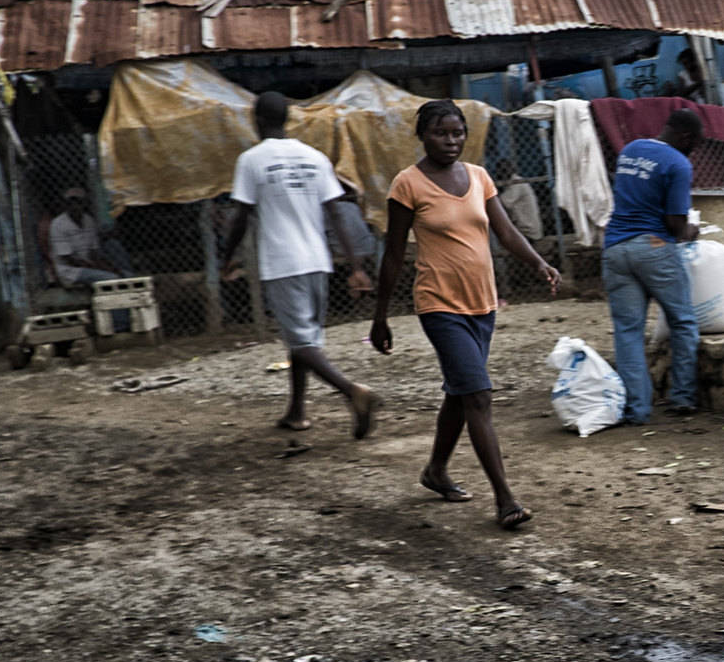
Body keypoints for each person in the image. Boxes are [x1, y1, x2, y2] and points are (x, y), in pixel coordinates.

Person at [371, 99, 558, 529]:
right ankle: (505, 500)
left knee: (460, 391)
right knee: (477, 395)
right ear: (422, 136)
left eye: (457, 133)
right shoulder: (407, 185)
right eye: (441, 133)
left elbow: (506, 231)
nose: (451, 141)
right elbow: (395, 254)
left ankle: (435, 470)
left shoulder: (478, 176)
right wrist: (380, 316)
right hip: (439, 304)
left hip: (483, 303)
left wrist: (537, 263)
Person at [222, 91, 381, 438]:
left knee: (301, 342)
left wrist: (227, 255)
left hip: (282, 262)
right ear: (287, 119)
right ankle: (296, 411)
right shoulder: (315, 157)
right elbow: (336, 213)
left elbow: (241, 216)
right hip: (318, 261)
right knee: (304, 342)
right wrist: (355, 266)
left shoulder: (252, 159)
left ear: (257, 119)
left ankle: (353, 392)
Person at [602, 107, 702, 424]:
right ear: (686, 137)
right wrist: (691, 231)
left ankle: (638, 410)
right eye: (695, 143)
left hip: (616, 249)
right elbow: (675, 223)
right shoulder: (678, 164)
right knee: (683, 320)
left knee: (628, 332)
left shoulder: (631, 150)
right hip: (654, 248)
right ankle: (682, 397)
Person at [47, 187, 130, 287]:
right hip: (71, 271)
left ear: (84, 204)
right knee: (112, 278)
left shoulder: (89, 221)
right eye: (70, 203)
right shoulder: (58, 224)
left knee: (127, 276)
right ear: (65, 205)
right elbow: (69, 259)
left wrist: (110, 268)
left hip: (89, 266)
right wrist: (99, 268)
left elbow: (93, 253)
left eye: (78, 202)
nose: (74, 206)